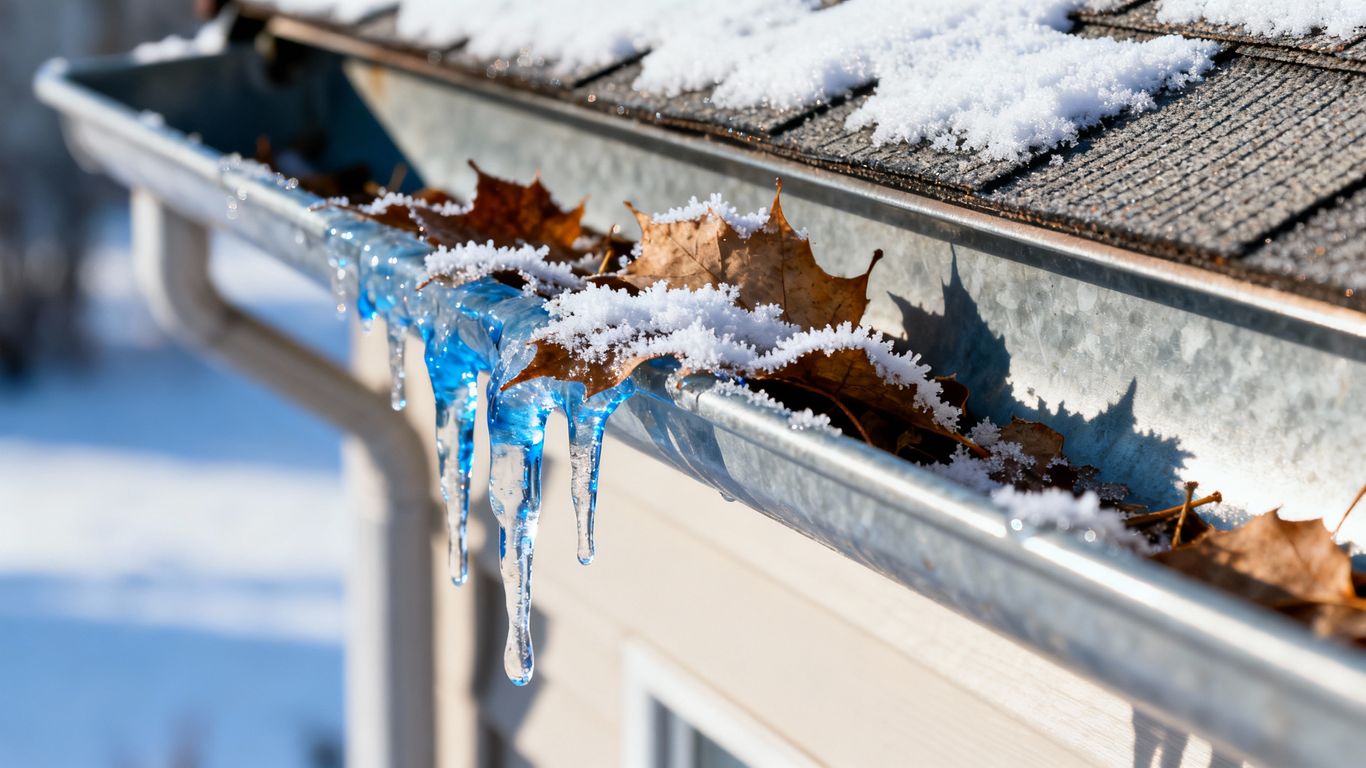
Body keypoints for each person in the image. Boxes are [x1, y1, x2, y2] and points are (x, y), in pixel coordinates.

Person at [0, 0, 200, 380]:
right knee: (15, 217)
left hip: (57, 116)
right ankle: (19, 322)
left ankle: (55, 323)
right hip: (24, 113)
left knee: (61, 216)